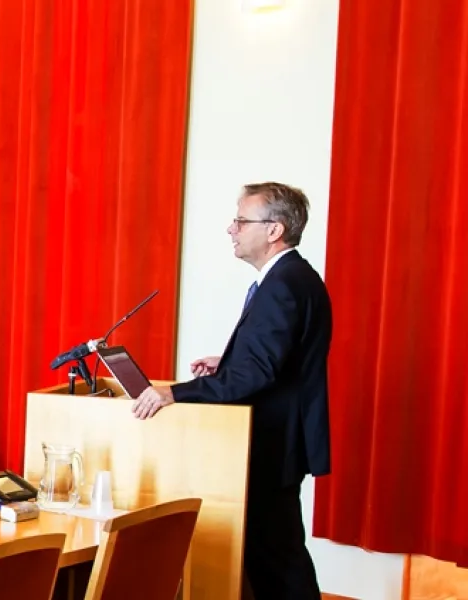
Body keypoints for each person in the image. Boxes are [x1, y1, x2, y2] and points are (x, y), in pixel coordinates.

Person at [132, 182, 331, 599]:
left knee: (277, 560)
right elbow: (279, 361)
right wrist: (226, 365)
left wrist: (176, 394)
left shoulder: (283, 284)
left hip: (269, 442)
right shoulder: (293, 277)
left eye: (241, 220)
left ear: (274, 230)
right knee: (277, 555)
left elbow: (258, 373)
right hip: (273, 440)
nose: (230, 229)